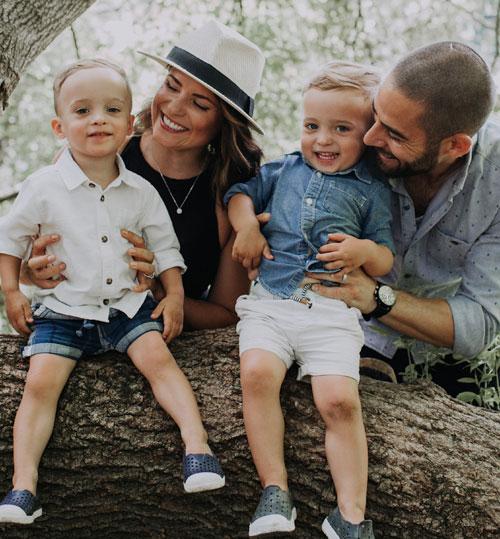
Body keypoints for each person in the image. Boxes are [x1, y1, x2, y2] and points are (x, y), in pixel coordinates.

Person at [0, 59, 226, 525]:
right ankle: (24, 485)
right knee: (40, 386)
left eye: (111, 109)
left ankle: (197, 447)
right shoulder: (43, 187)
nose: (98, 119)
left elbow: (166, 249)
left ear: (129, 124)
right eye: (82, 111)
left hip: (127, 307)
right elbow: (9, 241)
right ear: (60, 126)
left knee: (161, 363)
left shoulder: (140, 191)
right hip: (64, 310)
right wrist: (13, 291)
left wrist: (175, 297)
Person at [225, 62, 394, 538]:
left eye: (342, 129)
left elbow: (383, 256)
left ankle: (352, 517)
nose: (323, 139)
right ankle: (274, 490)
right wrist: (246, 228)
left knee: (339, 401)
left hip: (330, 312)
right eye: (312, 126)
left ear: (369, 135)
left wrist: (363, 251)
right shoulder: (284, 168)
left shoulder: (373, 191)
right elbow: (240, 193)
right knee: (257, 373)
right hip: (273, 301)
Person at [21, 20, 266, 331]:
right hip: (72, 333)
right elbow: (27, 258)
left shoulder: (234, 201)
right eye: (172, 85)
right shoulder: (96, 153)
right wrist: (31, 273)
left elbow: (226, 315)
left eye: (199, 103)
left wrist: (154, 292)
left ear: (225, 123)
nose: (174, 107)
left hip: (160, 347)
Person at [309, 42, 500, 397]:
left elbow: (477, 325)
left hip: (438, 353)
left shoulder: (496, 182)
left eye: (394, 135)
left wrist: (376, 297)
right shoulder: (363, 126)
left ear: (455, 147)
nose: (370, 137)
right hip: (342, 326)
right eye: (376, 115)